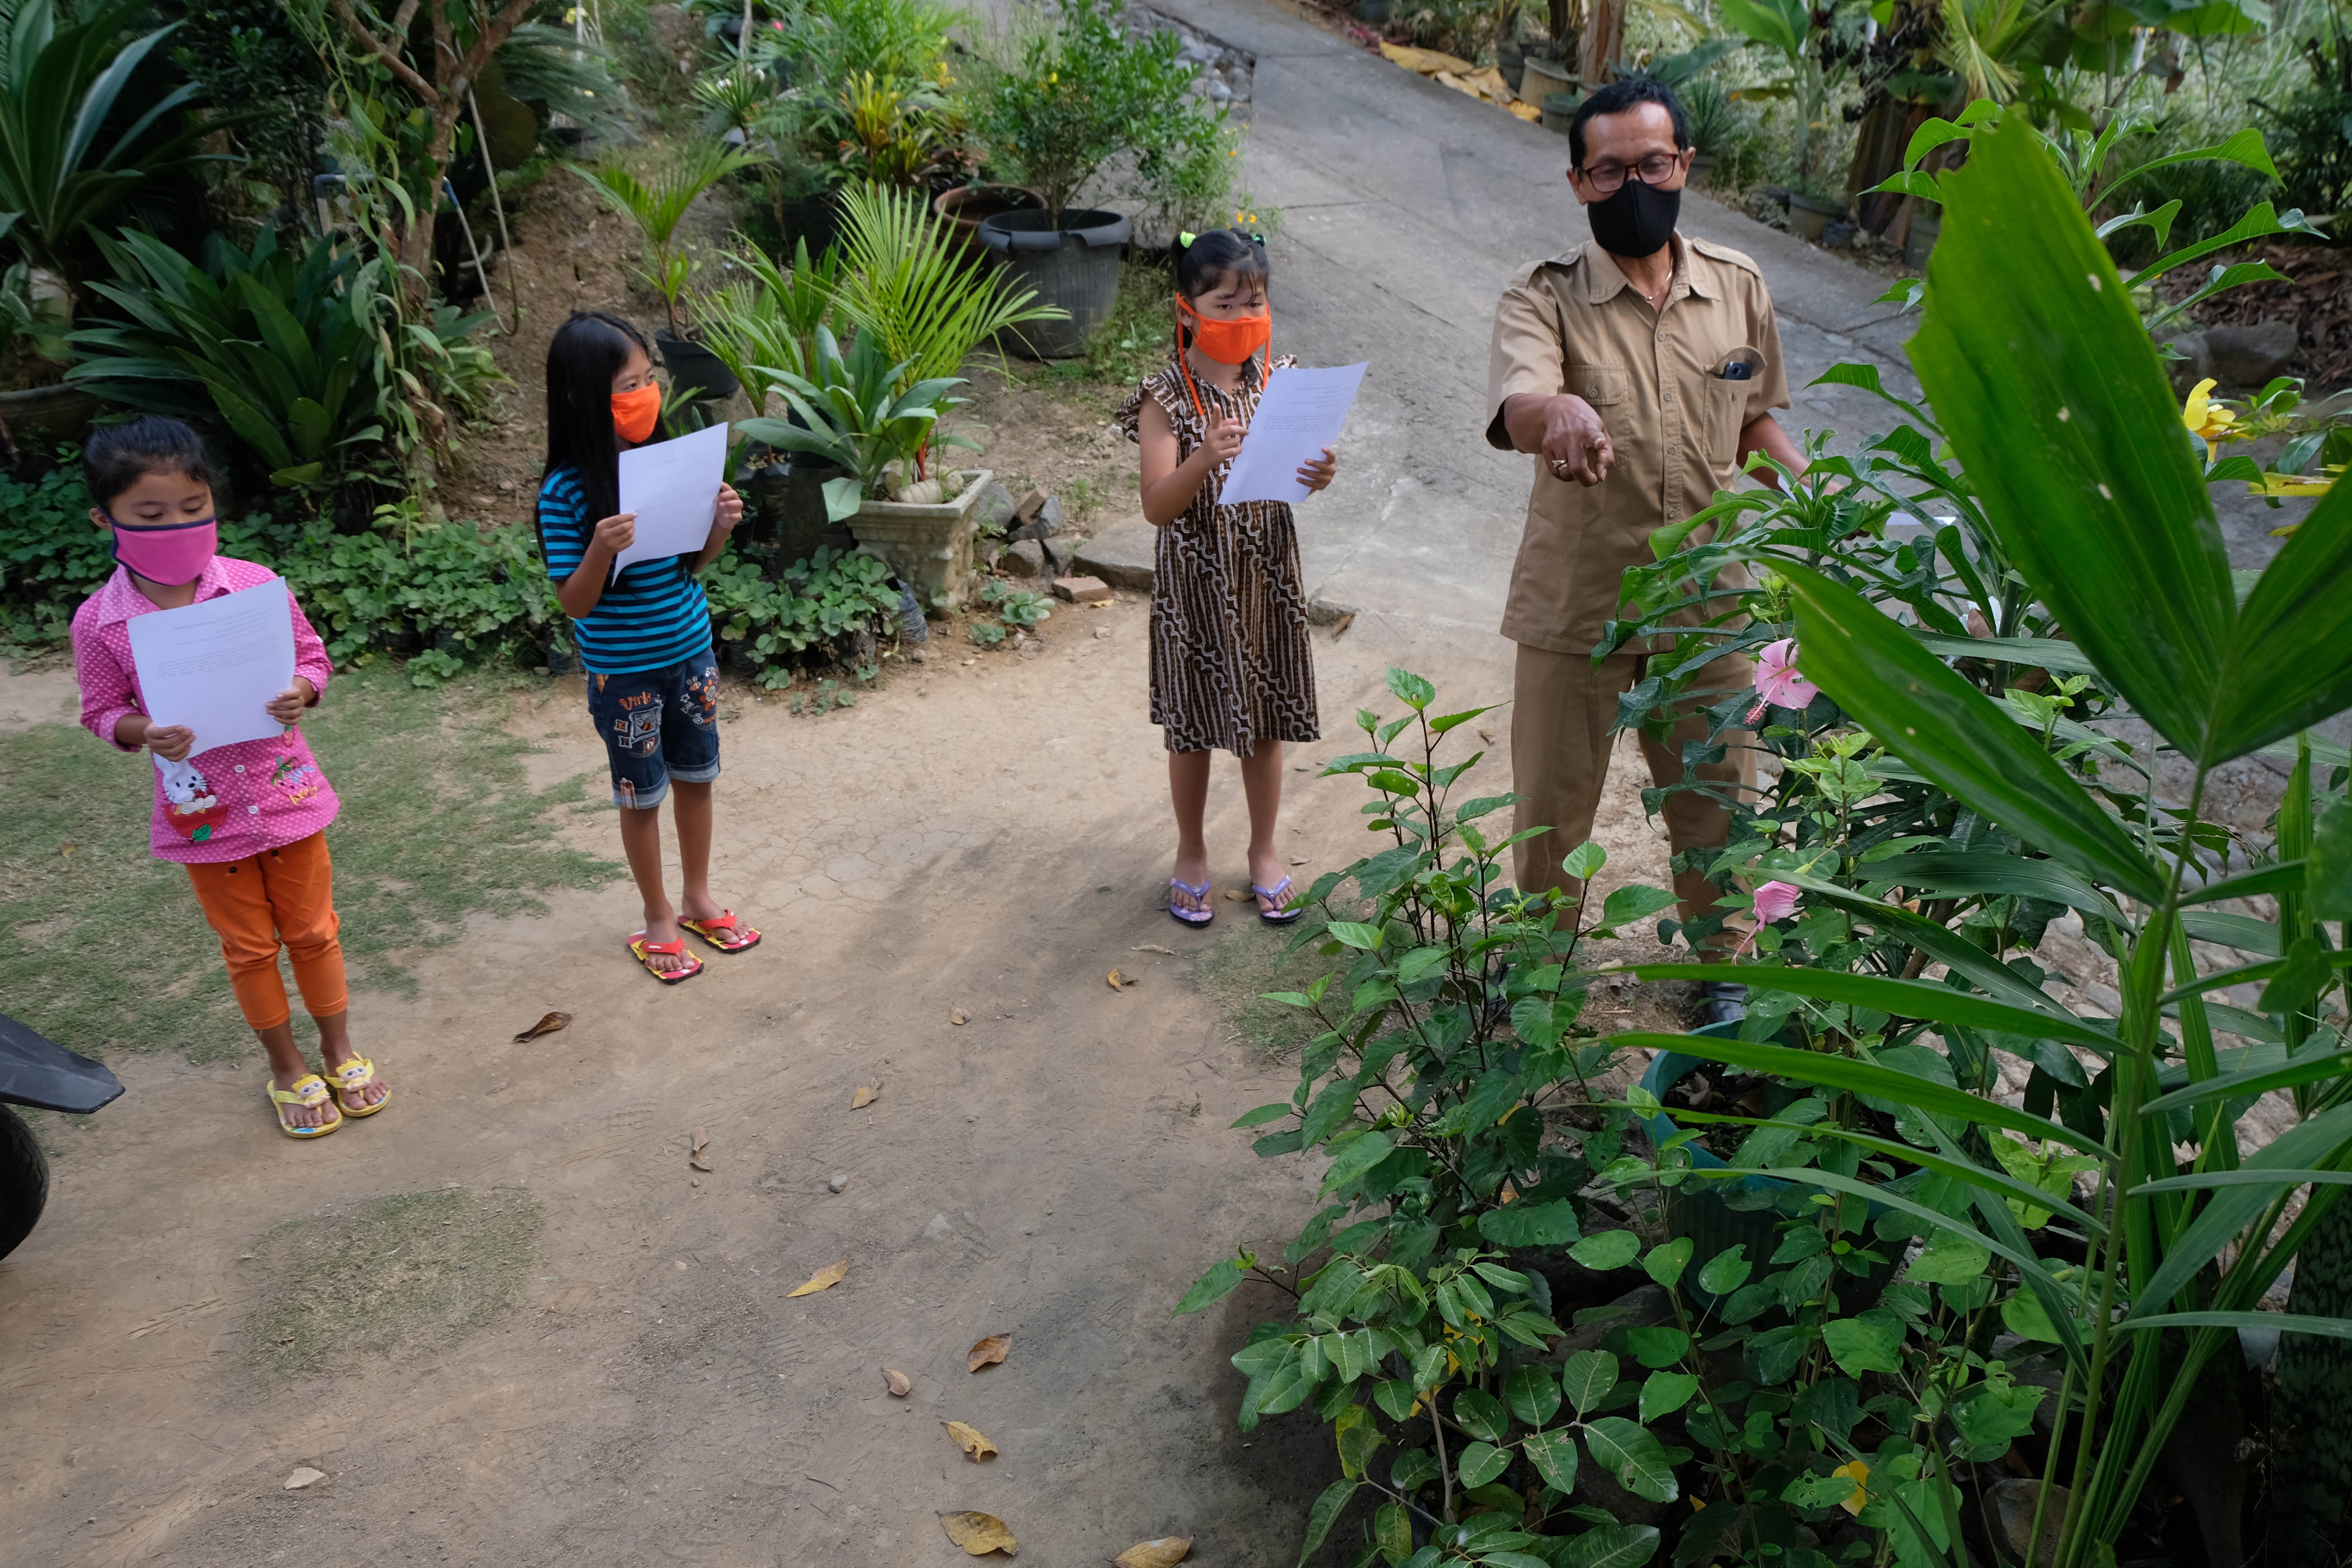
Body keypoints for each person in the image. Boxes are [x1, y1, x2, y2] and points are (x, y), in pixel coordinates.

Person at [1484, 77, 1803, 1019]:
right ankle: (1538, 982)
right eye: (1611, 169)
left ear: (1685, 167)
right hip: (1578, 603)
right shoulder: (1541, 298)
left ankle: (1723, 983)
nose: (1635, 183)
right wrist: (1562, 412)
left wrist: (1804, 476)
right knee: (1553, 812)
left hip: (1709, 607)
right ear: (1579, 183)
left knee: (1720, 804)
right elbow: (1521, 403)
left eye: (1653, 164)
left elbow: (1755, 415)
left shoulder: (1737, 287)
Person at [70, 417, 389, 1139]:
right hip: (203, 815)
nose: (178, 524)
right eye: (150, 515)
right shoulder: (99, 622)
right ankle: (286, 1068)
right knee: (249, 948)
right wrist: (141, 731)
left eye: (192, 506)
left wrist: (302, 692)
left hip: (288, 796)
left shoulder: (256, 587)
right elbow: (99, 712)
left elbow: (313, 659)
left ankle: (339, 1050)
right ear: (106, 518)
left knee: (314, 930)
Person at [1119, 229, 1339, 928]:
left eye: (1257, 304)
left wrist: (1320, 473)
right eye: (1228, 303)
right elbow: (1157, 505)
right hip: (1195, 584)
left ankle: (1266, 852)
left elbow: (1295, 478)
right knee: (1190, 727)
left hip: (1266, 578)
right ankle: (1190, 855)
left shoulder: (1279, 381)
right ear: (1188, 309)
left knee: (1266, 721)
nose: (1246, 318)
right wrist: (1200, 459)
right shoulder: (1164, 396)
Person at [538, 310, 757, 982]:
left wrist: (719, 526)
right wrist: (602, 549)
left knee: (698, 779)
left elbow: (690, 565)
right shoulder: (563, 492)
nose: (644, 394)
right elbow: (573, 603)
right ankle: (658, 914)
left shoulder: (667, 462)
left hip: (691, 652)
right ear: (580, 396)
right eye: (625, 384)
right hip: (623, 671)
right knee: (642, 794)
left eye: (646, 378)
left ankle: (697, 897)